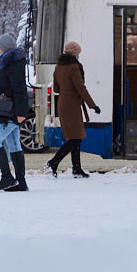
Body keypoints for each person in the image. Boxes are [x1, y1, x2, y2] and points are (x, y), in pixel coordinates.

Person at [45, 41, 99, 178]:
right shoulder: (74, 67)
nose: (79, 56)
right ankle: (54, 162)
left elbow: (56, 89)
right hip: (72, 106)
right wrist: (93, 105)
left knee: (76, 137)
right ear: (75, 53)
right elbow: (81, 88)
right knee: (75, 138)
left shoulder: (58, 67)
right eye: (78, 53)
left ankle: (77, 169)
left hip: (64, 104)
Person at [0, 33, 31, 192]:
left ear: (5, 49)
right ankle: (21, 182)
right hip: (7, 111)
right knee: (14, 145)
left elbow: (20, 90)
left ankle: (7, 177)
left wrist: (21, 113)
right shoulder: (7, 65)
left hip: (10, 113)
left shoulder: (13, 66)